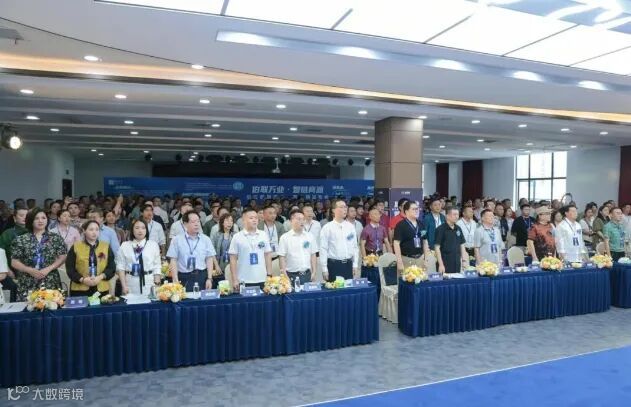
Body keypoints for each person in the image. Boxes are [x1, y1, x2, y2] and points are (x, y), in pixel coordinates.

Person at [10, 209, 67, 301]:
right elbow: (14, 262)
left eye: (43, 218)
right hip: (27, 280)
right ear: (30, 220)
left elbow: (62, 257)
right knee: (29, 307)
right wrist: (29, 270)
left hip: (50, 279)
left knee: (51, 306)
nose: (40, 221)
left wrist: (49, 268)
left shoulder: (55, 238)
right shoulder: (20, 239)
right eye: (36, 218)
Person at [166, 211, 216, 292]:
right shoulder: (177, 240)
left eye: (198, 221)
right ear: (185, 224)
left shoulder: (206, 239)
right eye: (193, 222)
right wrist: (175, 280)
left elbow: (209, 259)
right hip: (184, 276)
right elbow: (173, 260)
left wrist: (209, 278)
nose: (197, 224)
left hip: (201, 276)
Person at [65, 220, 117, 297]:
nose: (94, 232)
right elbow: (70, 268)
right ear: (84, 231)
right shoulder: (76, 247)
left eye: (97, 229)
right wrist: (82, 279)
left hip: (100, 286)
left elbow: (111, 267)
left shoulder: (105, 246)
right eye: (91, 229)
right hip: (80, 288)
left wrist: (100, 277)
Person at [228, 207, 272, 290]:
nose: (254, 220)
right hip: (243, 279)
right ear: (243, 220)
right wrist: (234, 279)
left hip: (262, 278)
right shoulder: (237, 237)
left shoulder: (263, 235)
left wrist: (269, 275)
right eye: (251, 218)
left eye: (256, 218)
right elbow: (233, 259)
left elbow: (267, 255)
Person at [115, 219, 162, 297]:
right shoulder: (125, 245)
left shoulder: (153, 245)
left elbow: (157, 266)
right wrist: (124, 286)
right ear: (132, 230)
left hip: (148, 281)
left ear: (146, 230)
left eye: (143, 228)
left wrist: (157, 284)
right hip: (130, 281)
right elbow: (121, 267)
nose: (140, 230)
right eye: (137, 228)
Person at [319, 199, 359, 281]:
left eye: (345, 207)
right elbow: (323, 249)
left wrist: (355, 264)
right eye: (341, 207)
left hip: (348, 264)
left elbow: (355, 247)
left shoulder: (350, 227)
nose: (345, 209)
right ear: (333, 210)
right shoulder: (327, 228)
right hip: (334, 265)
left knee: (349, 288)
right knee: (334, 289)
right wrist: (324, 269)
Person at [278, 209, 317, 285]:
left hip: (307, 274)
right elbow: (282, 257)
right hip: (291, 275)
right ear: (291, 221)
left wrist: (314, 272)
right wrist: (285, 276)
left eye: (303, 219)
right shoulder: (285, 237)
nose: (302, 221)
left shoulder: (310, 236)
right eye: (299, 219)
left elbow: (313, 255)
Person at [0, 207, 28, 301]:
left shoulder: (36, 232)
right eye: (21, 215)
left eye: (27, 215)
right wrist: (7, 270)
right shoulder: (7, 234)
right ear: (15, 218)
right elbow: (0, 254)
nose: (25, 217)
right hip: (12, 272)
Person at [393, 201, 429, 273]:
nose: (416, 211)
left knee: (422, 279)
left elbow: (425, 242)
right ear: (406, 211)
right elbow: (396, 243)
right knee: (406, 279)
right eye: (413, 209)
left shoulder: (421, 224)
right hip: (406, 259)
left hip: (420, 259)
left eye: (417, 209)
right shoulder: (400, 225)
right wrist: (399, 262)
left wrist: (426, 259)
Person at [435, 207, 469, 274]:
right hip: (445, 263)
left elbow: (462, 245)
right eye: (454, 214)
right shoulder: (440, 229)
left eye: (457, 214)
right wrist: (441, 264)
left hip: (457, 263)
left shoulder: (458, 228)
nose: (457, 217)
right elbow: (437, 248)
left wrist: (464, 261)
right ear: (447, 216)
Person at [210, 212, 236, 287]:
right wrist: (216, 265)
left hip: (232, 265)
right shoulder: (217, 235)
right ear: (222, 222)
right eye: (227, 220)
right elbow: (212, 251)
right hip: (219, 264)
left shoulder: (235, 235)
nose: (229, 223)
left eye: (231, 221)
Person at [258, 205, 285, 275]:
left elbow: (283, 242)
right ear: (264, 215)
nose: (273, 215)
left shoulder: (279, 225)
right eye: (270, 213)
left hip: (277, 257)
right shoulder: (258, 226)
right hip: (263, 258)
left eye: (274, 213)